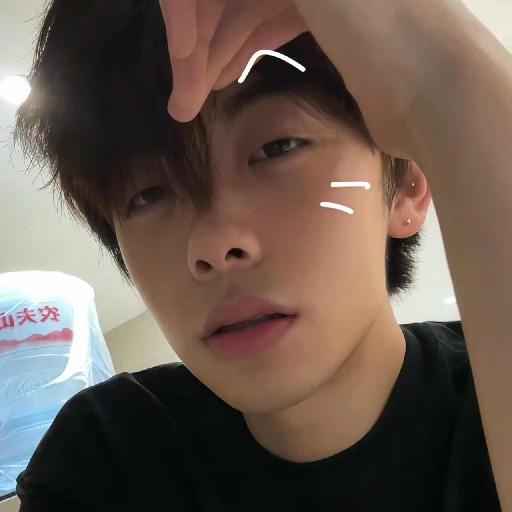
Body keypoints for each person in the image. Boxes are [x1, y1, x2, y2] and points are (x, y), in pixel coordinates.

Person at [12, 0, 511, 510]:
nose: (212, 246)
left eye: (278, 148)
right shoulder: (105, 457)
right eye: (147, 195)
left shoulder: (489, 393)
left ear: (406, 188)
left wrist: (449, 75)